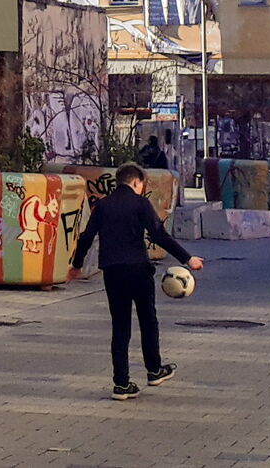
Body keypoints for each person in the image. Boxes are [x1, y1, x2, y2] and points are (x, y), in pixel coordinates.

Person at [68, 164, 204, 401]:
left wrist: (76, 265)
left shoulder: (102, 206)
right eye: (142, 185)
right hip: (138, 270)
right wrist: (187, 258)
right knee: (148, 320)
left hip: (112, 271)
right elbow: (158, 234)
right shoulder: (140, 204)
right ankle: (154, 370)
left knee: (120, 327)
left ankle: (121, 384)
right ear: (136, 182)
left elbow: (86, 237)